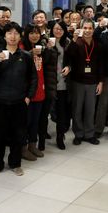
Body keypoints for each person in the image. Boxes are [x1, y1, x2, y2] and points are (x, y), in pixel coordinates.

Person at [0, 22, 37, 177]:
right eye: (9, 33)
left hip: (19, 102)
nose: (13, 36)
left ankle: (15, 163)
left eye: (16, 33)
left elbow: (33, 78)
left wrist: (28, 97)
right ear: (5, 36)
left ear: (20, 36)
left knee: (18, 135)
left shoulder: (26, 56)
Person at [66, 19, 104, 145]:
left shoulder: (97, 45)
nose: (87, 31)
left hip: (92, 82)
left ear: (93, 29)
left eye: (90, 28)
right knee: (77, 109)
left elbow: (100, 65)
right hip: (78, 81)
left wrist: (100, 82)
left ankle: (89, 134)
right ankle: (78, 134)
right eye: (85, 28)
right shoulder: (77, 43)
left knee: (90, 110)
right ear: (81, 29)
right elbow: (68, 55)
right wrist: (74, 39)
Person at [21, 25, 48, 160]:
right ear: (26, 34)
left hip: (40, 90)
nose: (34, 35)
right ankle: (23, 148)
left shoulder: (41, 48)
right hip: (27, 92)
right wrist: (29, 53)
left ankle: (32, 145)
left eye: (37, 33)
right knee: (25, 121)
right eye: (31, 33)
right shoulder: (22, 48)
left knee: (35, 121)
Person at [47, 21, 72, 149]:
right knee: (47, 111)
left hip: (62, 82)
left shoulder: (67, 42)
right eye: (56, 29)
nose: (58, 31)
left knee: (62, 111)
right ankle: (41, 137)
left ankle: (60, 136)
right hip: (49, 82)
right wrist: (48, 48)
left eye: (61, 29)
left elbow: (72, 60)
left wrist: (69, 67)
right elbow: (43, 61)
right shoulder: (46, 41)